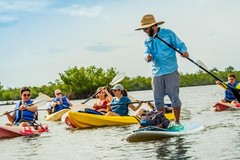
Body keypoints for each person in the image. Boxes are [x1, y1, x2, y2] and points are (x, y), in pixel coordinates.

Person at [135, 14, 189, 127]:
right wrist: (147, 57)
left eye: (146, 28)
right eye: (143, 29)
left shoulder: (168, 33)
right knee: (158, 100)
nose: (144, 31)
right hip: (156, 72)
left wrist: (184, 51)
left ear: (153, 26)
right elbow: (146, 52)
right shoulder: (147, 40)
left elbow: (180, 44)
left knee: (174, 97)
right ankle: (162, 122)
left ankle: (177, 122)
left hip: (171, 70)